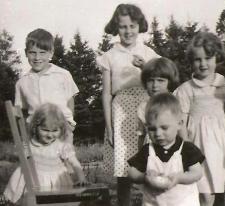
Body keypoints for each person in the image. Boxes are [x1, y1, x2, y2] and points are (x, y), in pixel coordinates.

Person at [97, 3, 159, 206]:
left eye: (132, 26)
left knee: (151, 164)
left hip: (145, 109)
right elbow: (106, 93)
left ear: (139, 26)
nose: (128, 31)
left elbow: (162, 77)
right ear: (116, 28)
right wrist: (109, 127)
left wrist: (147, 68)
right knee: (124, 171)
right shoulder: (109, 56)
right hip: (121, 110)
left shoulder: (148, 53)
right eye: (123, 26)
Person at [174, 31, 225, 206]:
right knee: (205, 194)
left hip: (222, 148)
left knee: (222, 192)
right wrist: (187, 146)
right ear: (191, 62)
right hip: (198, 147)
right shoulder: (186, 89)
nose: (203, 64)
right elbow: (181, 122)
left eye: (208, 58)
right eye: (197, 59)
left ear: (217, 57)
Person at [128, 93, 205, 206]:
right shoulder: (147, 150)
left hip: (184, 202)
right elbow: (131, 172)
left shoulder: (187, 149)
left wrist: (179, 178)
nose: (158, 134)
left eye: (164, 128)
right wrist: (145, 178)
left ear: (179, 124)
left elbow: (197, 173)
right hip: (153, 202)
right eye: (152, 129)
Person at [3, 103, 88, 205]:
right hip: (35, 183)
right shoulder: (30, 144)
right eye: (45, 130)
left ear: (61, 129)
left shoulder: (61, 146)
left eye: (55, 130)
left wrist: (81, 178)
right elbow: (23, 159)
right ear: (35, 127)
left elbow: (74, 163)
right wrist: (23, 152)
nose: (50, 135)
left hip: (56, 183)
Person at [15, 28, 79, 143]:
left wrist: (70, 123)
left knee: (63, 159)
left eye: (42, 52)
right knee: (40, 161)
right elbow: (21, 111)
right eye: (32, 52)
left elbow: (70, 100)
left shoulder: (63, 75)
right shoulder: (22, 82)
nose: (37, 58)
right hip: (35, 133)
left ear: (51, 52)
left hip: (60, 130)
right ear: (26, 53)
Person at [137, 57, 180, 147]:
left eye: (160, 81)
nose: (155, 85)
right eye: (151, 81)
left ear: (170, 82)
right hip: (151, 151)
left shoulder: (175, 102)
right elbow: (141, 135)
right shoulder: (143, 106)